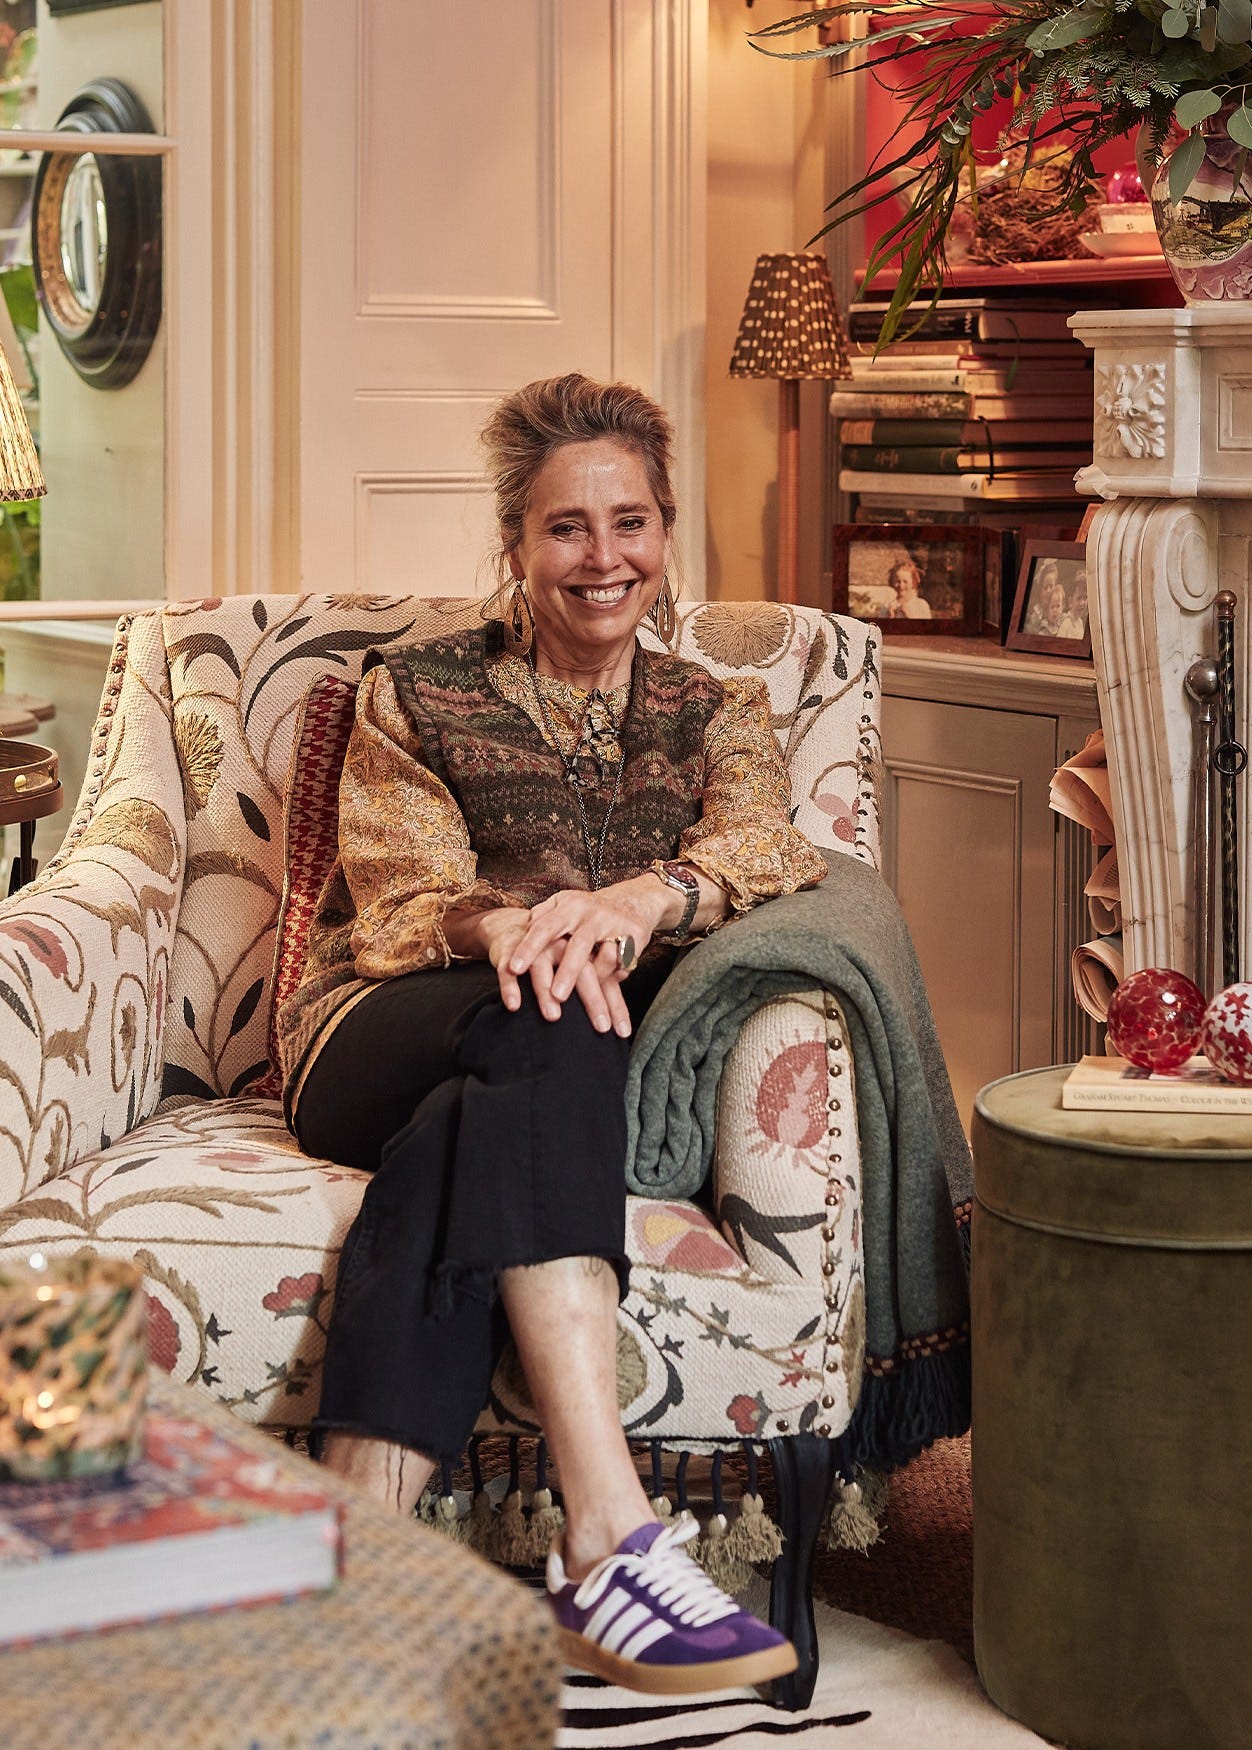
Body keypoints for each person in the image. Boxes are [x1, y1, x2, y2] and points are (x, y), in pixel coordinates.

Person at [276, 373, 825, 1696]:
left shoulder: (718, 710)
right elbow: (398, 903)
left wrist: (636, 900)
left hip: (528, 1071)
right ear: (516, 546)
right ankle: (612, 1535)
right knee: (557, 1007)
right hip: (375, 1028)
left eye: (629, 522)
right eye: (566, 528)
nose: (603, 558)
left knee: (506, 1093)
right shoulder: (416, 689)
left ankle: (351, 1555)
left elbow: (765, 842)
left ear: (666, 529)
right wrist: (510, 929)